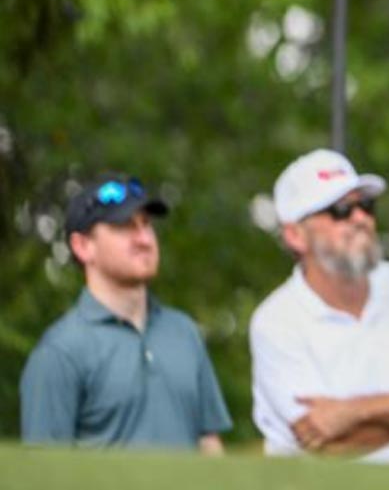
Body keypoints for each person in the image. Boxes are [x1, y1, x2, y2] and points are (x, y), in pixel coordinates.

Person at [249, 148, 389, 463]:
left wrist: (351, 412)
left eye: (366, 205)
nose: (360, 219)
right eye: (340, 210)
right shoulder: (275, 320)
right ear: (295, 235)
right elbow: (325, 447)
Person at [20, 172, 232, 451]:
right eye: (124, 227)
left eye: (146, 224)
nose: (144, 239)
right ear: (83, 246)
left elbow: (209, 446)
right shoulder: (60, 352)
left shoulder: (184, 332)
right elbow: (41, 476)